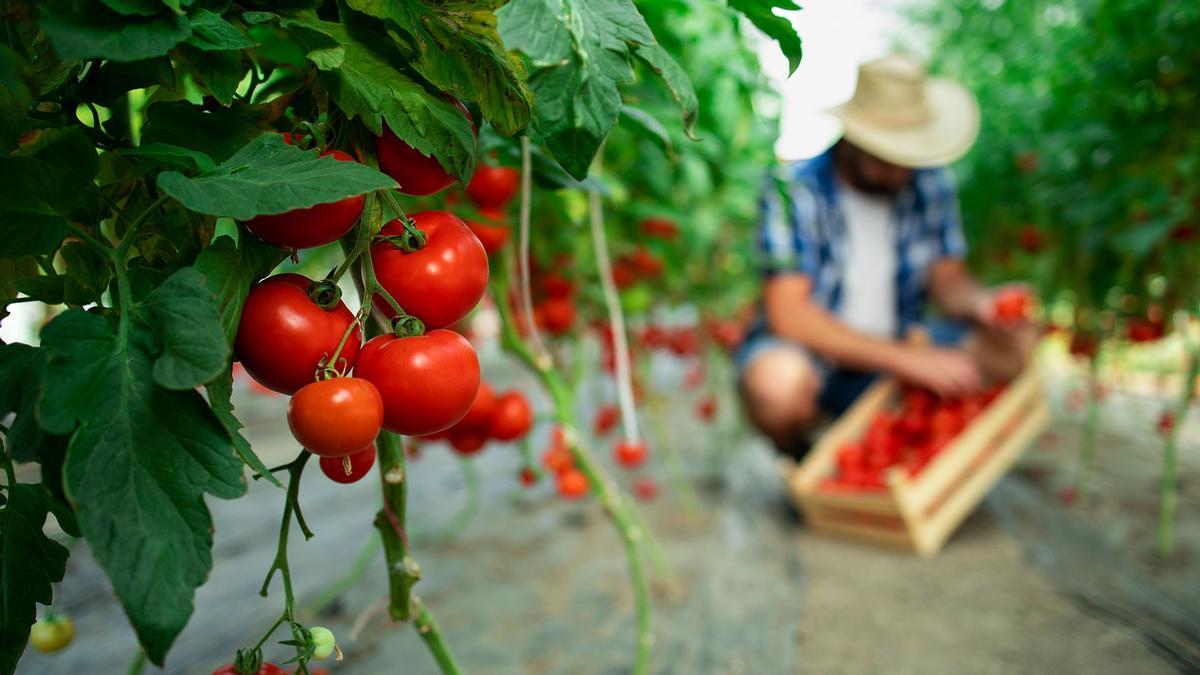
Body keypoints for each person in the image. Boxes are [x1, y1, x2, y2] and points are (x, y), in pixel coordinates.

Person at [737, 54, 1036, 458]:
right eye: (886, 156)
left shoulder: (929, 184)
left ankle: (911, 439)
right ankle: (806, 452)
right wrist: (908, 361)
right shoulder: (792, 190)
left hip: (901, 350)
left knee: (1017, 342)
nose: (900, 171)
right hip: (820, 362)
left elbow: (947, 281)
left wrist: (981, 303)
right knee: (776, 385)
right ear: (854, 139)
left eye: (907, 156)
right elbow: (789, 315)